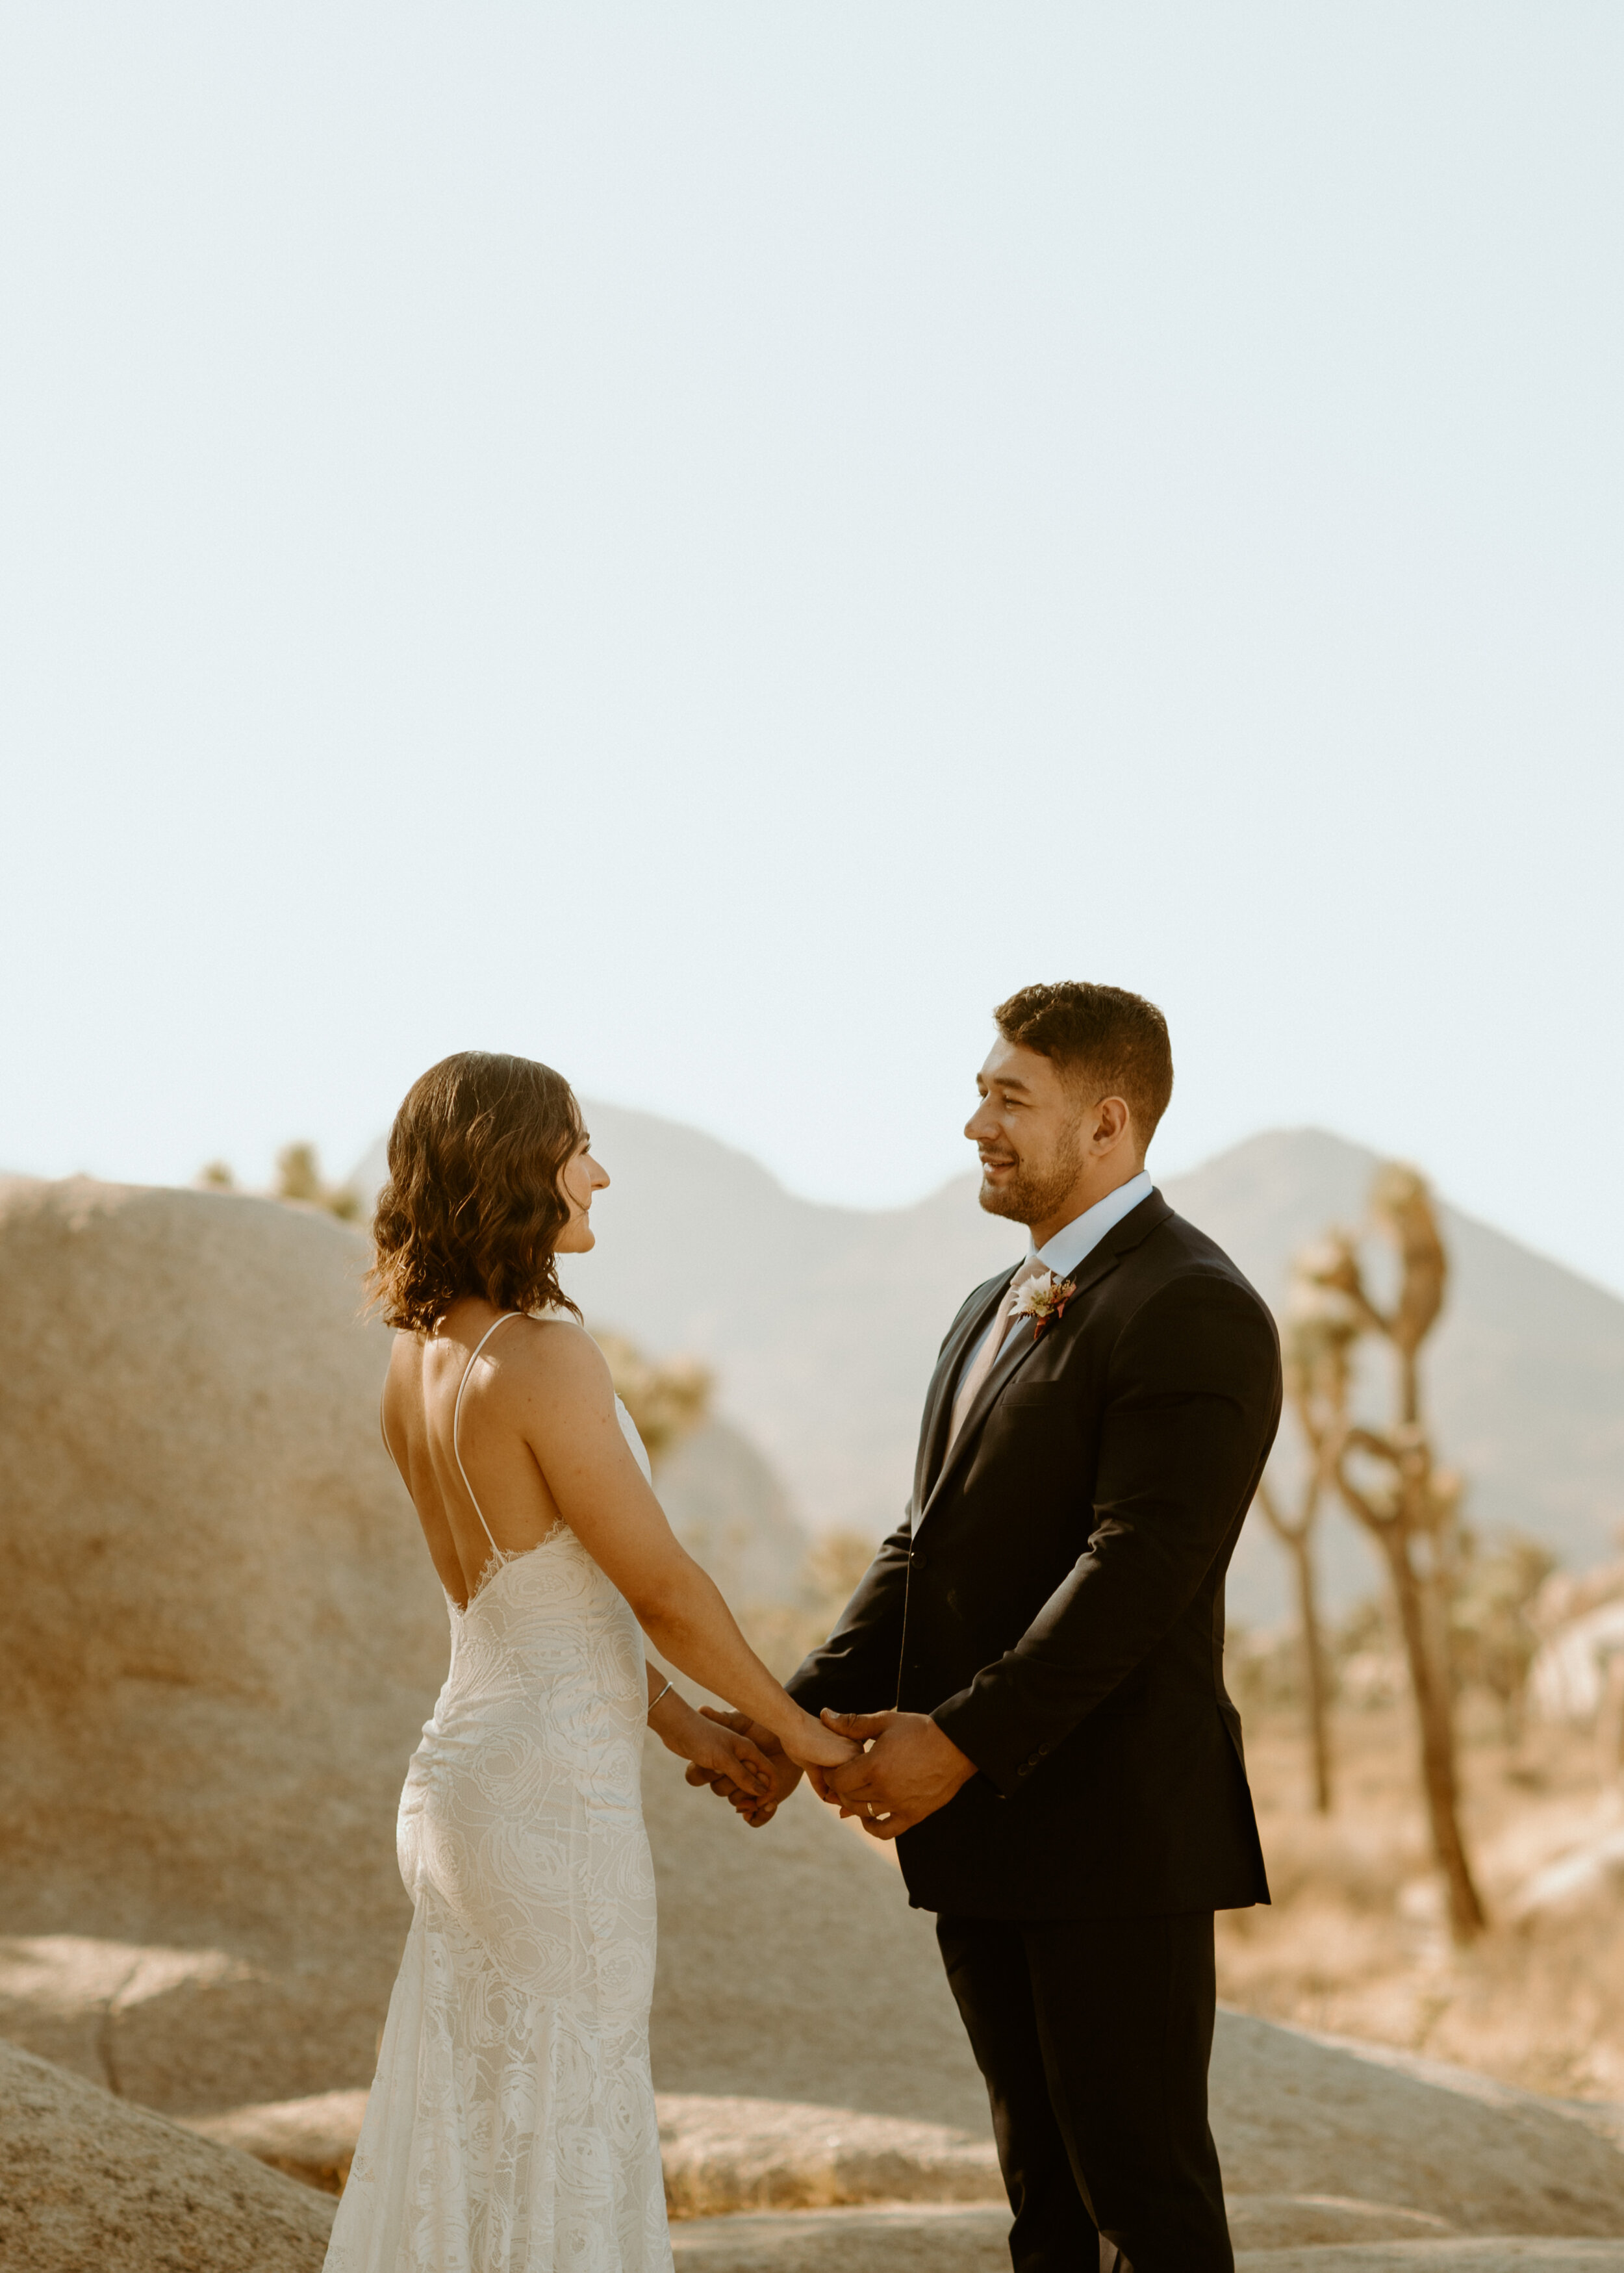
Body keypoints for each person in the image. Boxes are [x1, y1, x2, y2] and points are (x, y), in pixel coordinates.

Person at [691, 982, 1282, 2273]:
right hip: (991, 1836)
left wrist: (955, 1739)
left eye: (1010, 1098)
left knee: (1144, 2200)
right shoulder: (987, 1307)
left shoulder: (1191, 1303)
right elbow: (924, 1547)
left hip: (1115, 1832)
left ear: (1109, 1123)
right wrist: (792, 1717)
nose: (974, 1124)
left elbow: (1140, 1568)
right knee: (1044, 2207)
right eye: (979, 1091)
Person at [323, 1050, 855, 2273]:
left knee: (485, 2140)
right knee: (568, 2124)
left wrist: (689, 1729)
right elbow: (657, 1586)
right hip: (548, 1807)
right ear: (517, 1166)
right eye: (576, 1148)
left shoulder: (419, 1361)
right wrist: (808, 1735)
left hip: (462, 1776)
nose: (598, 1173)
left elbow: (529, 1603)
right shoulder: (542, 1353)